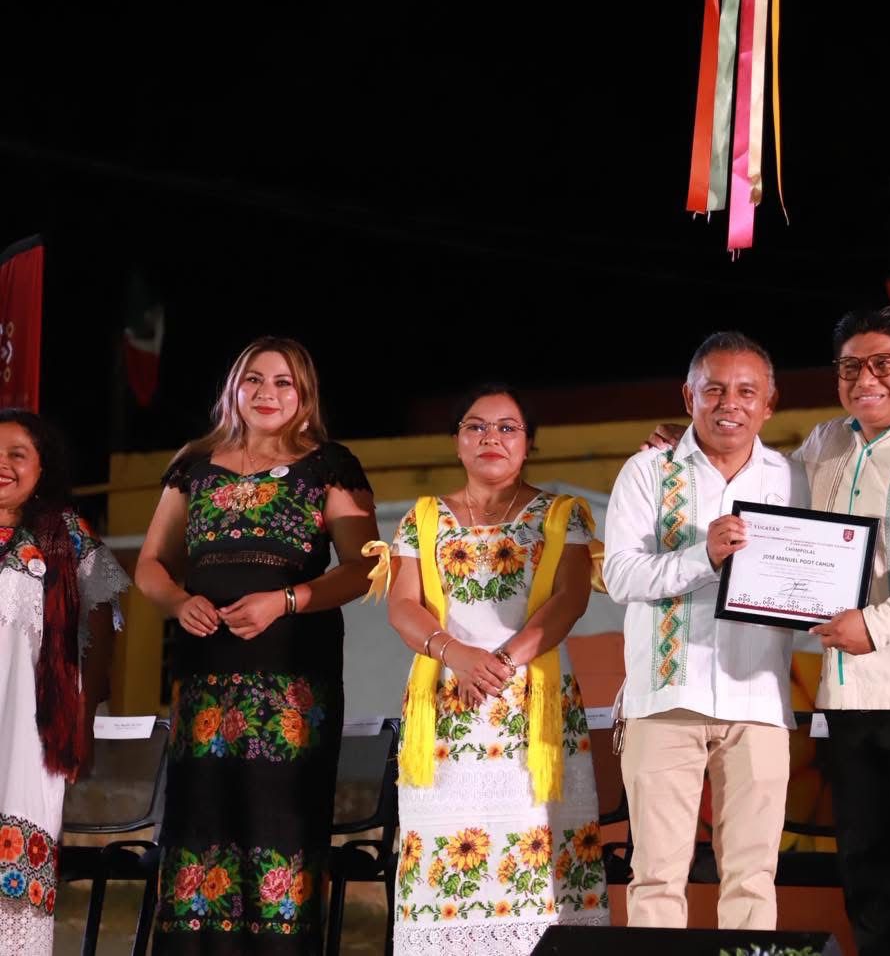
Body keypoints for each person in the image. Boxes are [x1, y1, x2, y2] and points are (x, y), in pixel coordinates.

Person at [644, 311, 890, 955]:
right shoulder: (827, 443)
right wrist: (691, 444)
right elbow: (764, 491)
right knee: (867, 872)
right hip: (848, 696)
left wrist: (879, 623)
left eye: (883, 363)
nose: (866, 378)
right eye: (850, 366)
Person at [135, 337, 377, 953]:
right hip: (204, 682)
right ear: (234, 389)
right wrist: (178, 602)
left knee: (281, 823)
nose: (267, 393)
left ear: (304, 395)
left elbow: (364, 568)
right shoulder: (194, 464)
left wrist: (285, 600)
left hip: (292, 687)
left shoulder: (329, 465)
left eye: (283, 382)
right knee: (199, 821)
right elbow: (151, 565)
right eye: (254, 380)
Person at [385, 383, 610, 954]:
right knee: (445, 870)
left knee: (538, 863)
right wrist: (456, 654)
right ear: (457, 441)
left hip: (531, 711)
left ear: (528, 443)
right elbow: (403, 606)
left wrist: (504, 661)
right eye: (476, 426)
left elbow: (569, 599)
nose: (492, 437)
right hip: (447, 712)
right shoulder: (423, 518)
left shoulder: (560, 515)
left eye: (508, 427)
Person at [604, 332, 809, 931]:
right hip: (666, 698)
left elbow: (813, 576)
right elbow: (620, 575)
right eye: (714, 389)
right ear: (688, 396)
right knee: (656, 877)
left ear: (769, 404)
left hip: (759, 701)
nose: (730, 403)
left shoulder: (792, 478)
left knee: (753, 878)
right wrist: (705, 556)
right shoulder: (648, 471)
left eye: (747, 391)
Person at [0, 410, 126, 956]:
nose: (3, 464)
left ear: (42, 467)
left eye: (17, 454)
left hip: (29, 736)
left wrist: (83, 713)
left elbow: (104, 617)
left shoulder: (65, 533)